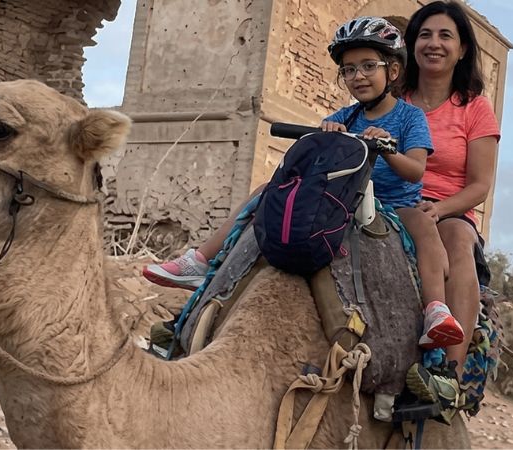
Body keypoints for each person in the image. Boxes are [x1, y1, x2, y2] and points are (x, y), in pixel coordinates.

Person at [143, 16, 465, 350]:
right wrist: (328, 138)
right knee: (266, 197)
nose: (358, 76)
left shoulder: (409, 117)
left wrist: (386, 148)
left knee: (426, 230)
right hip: (343, 200)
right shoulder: (343, 117)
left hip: (395, 205)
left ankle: (435, 309)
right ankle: (202, 261)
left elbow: (415, 170)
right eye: (349, 70)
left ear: (393, 71)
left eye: (369, 66)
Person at [400, 0, 501, 378]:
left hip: (447, 209)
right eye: (425, 34)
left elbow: (480, 185)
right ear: (411, 44)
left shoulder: (474, 109)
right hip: (388, 199)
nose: (434, 43)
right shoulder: (392, 101)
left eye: (446, 35)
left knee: (457, 239)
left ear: (462, 50)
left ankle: (449, 374)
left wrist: (439, 209)